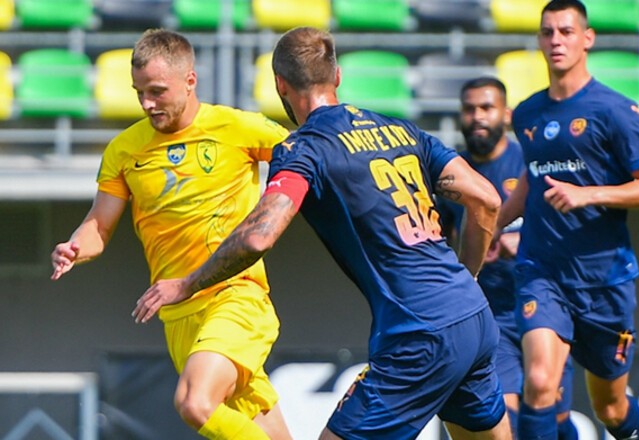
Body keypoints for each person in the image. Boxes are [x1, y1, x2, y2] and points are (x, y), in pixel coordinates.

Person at [132, 26, 513, 439]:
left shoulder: (305, 148)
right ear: (337, 76)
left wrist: (187, 283)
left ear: (280, 84)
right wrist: (468, 275)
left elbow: (259, 237)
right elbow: (487, 199)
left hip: (417, 334)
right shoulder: (402, 130)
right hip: (473, 315)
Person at [50, 29, 293, 440]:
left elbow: (311, 158)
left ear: (190, 80)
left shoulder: (238, 127)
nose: (147, 103)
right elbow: (99, 225)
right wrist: (75, 247)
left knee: (196, 404)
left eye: (157, 91)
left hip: (235, 297)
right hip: (177, 316)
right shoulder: (124, 150)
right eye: (139, 92)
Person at [495, 1, 639, 438]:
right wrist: (496, 221)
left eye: (566, 32)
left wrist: (589, 195)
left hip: (603, 279)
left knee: (610, 409)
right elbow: (533, 177)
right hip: (542, 271)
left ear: (587, 39)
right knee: (539, 382)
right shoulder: (527, 113)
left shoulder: (615, 111)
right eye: (548, 32)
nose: (556, 41)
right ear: (539, 40)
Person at [438, 76, 578, 439]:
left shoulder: (530, 165)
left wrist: (521, 242)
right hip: (491, 316)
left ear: (506, 114)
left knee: (553, 420)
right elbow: (442, 243)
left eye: (486, 108)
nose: (477, 117)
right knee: (506, 423)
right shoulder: (452, 174)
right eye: (469, 109)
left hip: (543, 306)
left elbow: (567, 229)